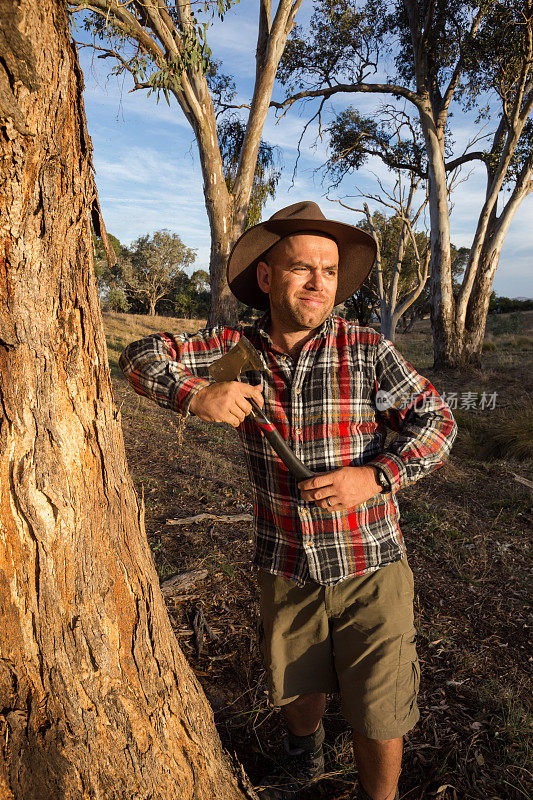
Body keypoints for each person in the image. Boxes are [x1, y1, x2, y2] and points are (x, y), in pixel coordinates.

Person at [119, 201, 457, 800]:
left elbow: (437, 421)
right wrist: (197, 394)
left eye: (328, 271)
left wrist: (375, 477)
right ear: (268, 277)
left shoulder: (365, 349)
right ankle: (305, 757)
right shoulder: (235, 348)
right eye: (302, 268)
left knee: (379, 704)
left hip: (369, 562)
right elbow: (140, 357)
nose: (318, 283)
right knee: (298, 680)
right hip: (285, 559)